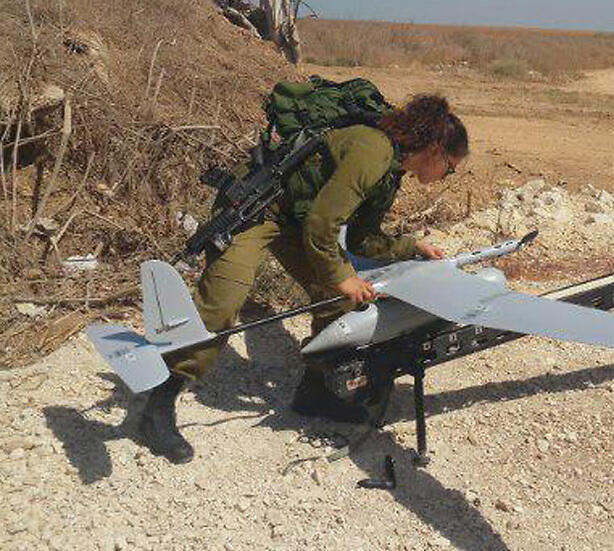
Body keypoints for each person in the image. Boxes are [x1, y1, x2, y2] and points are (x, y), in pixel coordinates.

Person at [139, 95, 468, 463]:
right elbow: (322, 224)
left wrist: (410, 247)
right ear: (435, 150)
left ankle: (315, 393)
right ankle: (159, 403)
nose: (446, 177)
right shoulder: (374, 151)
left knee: (338, 299)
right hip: (256, 210)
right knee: (221, 304)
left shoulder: (392, 169)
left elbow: (360, 238)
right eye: (449, 168)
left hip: (295, 220)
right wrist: (342, 277)